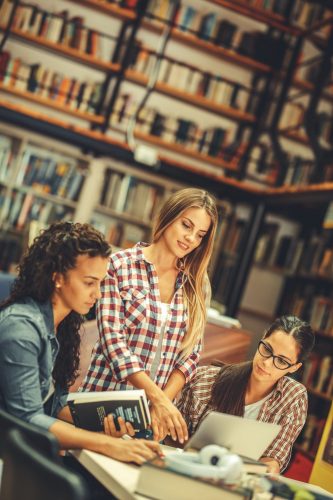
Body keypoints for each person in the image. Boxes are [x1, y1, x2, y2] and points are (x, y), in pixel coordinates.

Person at [0, 221, 160, 465]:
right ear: (58, 278)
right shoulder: (21, 328)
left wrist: (104, 424)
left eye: (100, 283)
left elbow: (52, 404)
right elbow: (28, 418)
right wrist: (108, 444)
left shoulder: (62, 325)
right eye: (89, 283)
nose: (97, 294)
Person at [81, 188, 218, 443]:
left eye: (200, 235)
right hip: (105, 404)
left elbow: (190, 356)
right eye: (186, 225)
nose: (190, 238)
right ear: (168, 216)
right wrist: (158, 399)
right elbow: (114, 344)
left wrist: (161, 404)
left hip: (153, 420)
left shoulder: (198, 284)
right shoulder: (119, 265)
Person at [176, 315, 315, 473]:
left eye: (282, 361)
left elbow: (273, 458)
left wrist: (266, 470)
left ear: (294, 368)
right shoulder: (205, 380)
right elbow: (173, 439)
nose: (267, 362)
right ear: (262, 338)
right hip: (190, 470)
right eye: (267, 349)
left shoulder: (293, 397)